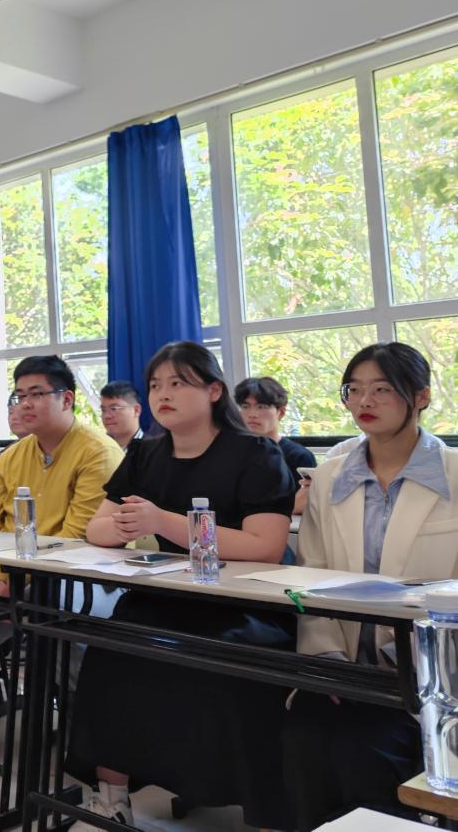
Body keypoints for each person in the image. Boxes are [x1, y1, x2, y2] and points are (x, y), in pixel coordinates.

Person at [67, 342, 296, 830]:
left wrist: (163, 521)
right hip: (168, 594)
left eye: (177, 383)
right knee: (110, 654)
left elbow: (266, 546)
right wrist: (125, 525)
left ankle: (258, 807)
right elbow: (97, 529)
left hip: (243, 603)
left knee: (218, 666)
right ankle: (112, 798)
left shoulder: (255, 453)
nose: (162, 395)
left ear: (213, 391)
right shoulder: (146, 453)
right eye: (155, 385)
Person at [283, 343, 457, 830]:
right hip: (342, 666)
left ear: (420, 397)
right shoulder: (331, 477)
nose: (365, 400)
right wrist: (327, 661)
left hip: (429, 672)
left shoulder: (454, 476)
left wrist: (407, 662)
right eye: (354, 389)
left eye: (382, 389)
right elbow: (311, 573)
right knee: (302, 740)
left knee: (368, 753)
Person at [0, 357, 123, 748]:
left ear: (67, 399)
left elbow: (80, 537)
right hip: (14, 576)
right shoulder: (11, 457)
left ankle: (82, 720)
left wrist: (18, 582)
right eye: (19, 395)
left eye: (36, 394)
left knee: (50, 609)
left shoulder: (97, 452)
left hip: (89, 576)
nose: (24, 404)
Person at [235, 376, 317, 515]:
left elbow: (303, 505)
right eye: (245, 406)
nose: (252, 414)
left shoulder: (299, 457)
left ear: (281, 412)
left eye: (261, 406)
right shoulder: (232, 454)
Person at [99, 380, 145, 450]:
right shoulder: (97, 448)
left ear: (136, 410)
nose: (107, 416)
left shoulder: (153, 450)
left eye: (114, 409)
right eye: (103, 410)